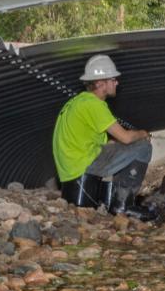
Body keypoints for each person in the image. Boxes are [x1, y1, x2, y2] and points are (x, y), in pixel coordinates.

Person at [52, 54, 157, 220]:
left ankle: (111, 201)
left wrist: (115, 144)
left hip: (71, 166)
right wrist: (143, 133)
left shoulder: (77, 102)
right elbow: (126, 138)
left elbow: (103, 142)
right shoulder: (94, 104)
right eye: (113, 79)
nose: (117, 82)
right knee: (142, 146)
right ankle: (123, 206)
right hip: (82, 165)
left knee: (117, 145)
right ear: (100, 83)